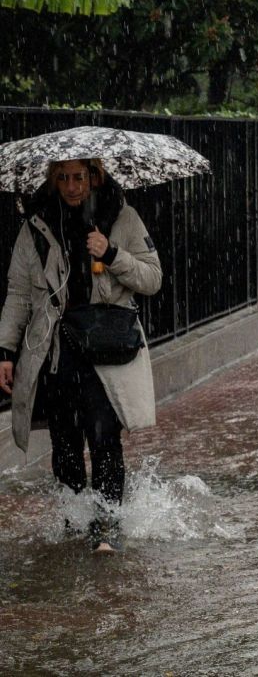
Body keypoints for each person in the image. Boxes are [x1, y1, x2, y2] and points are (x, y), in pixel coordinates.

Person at [0, 158, 162, 553]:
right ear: (53, 181)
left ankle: (106, 526)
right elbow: (19, 293)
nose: (72, 187)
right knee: (65, 444)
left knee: (104, 437)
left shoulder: (122, 216)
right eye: (63, 178)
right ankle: (75, 520)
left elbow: (152, 279)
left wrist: (112, 253)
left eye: (79, 177)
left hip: (106, 349)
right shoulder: (36, 225)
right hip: (57, 350)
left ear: (94, 176)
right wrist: (6, 350)